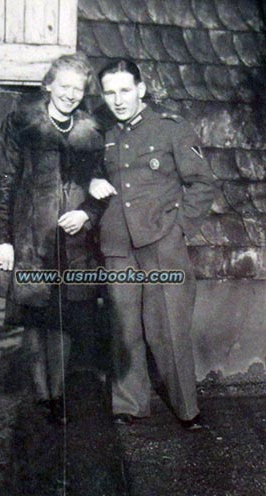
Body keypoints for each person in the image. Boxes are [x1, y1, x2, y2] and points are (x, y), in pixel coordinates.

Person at [89, 59, 214, 428]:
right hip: (118, 246)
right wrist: (92, 182)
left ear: (141, 90)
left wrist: (179, 229)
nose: (118, 100)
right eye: (110, 93)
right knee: (124, 327)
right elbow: (94, 177)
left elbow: (202, 184)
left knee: (168, 328)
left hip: (162, 243)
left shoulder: (170, 129)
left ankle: (187, 409)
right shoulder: (105, 135)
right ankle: (129, 404)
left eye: (125, 90)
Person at [0, 52, 104, 422]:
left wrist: (87, 212)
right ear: (48, 85)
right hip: (29, 239)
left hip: (73, 243)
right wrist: (3, 239)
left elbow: (101, 186)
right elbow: (5, 182)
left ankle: (58, 396)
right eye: (64, 85)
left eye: (78, 88)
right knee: (35, 317)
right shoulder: (22, 123)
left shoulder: (90, 131)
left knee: (65, 318)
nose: (71, 94)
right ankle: (41, 396)